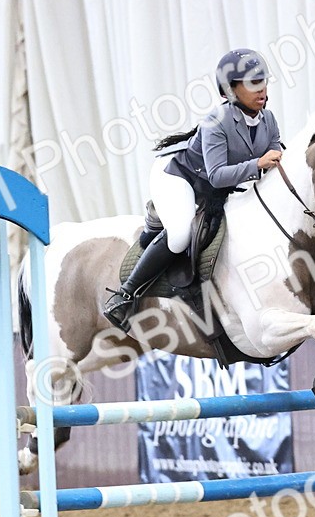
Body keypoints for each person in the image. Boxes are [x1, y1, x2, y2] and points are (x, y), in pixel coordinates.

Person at [102, 48, 283, 332]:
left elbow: (276, 149)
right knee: (180, 236)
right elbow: (217, 175)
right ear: (230, 89)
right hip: (179, 178)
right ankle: (125, 295)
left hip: (212, 185)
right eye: (251, 83)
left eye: (263, 82)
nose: (261, 89)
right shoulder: (216, 122)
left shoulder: (267, 119)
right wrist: (258, 163)